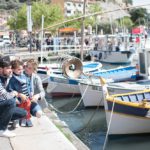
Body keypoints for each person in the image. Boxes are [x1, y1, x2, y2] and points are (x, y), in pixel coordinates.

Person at [0, 58, 27, 137]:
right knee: (11, 101)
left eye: (11, 68)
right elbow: (6, 96)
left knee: (23, 113)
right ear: (0, 69)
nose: (10, 70)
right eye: (8, 68)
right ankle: (2, 129)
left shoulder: (6, 76)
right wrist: (15, 93)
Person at [7, 60, 33, 127]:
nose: (21, 71)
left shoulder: (25, 76)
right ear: (13, 69)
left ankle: (27, 118)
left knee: (27, 107)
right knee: (21, 108)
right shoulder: (12, 79)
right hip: (19, 98)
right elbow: (10, 90)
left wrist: (31, 92)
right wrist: (18, 95)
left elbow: (29, 85)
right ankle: (19, 119)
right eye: (18, 69)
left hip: (27, 97)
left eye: (21, 69)